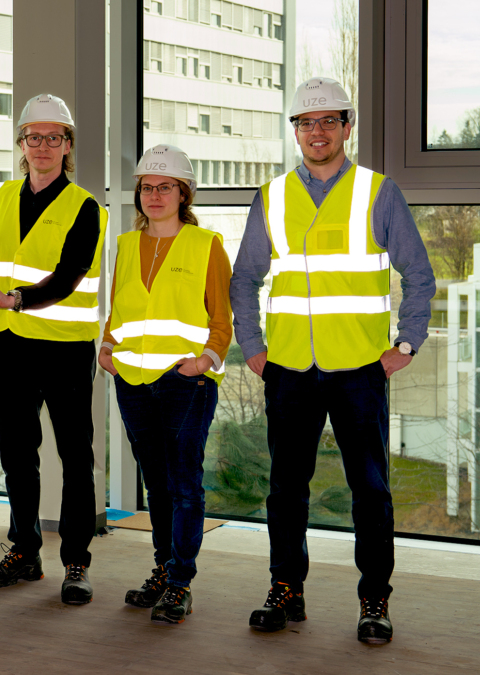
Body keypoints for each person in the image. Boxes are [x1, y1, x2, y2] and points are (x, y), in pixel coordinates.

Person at [230, 77, 435, 643]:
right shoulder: (271, 197)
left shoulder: (378, 191)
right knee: (285, 489)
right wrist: (253, 348)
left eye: (328, 121)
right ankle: (286, 590)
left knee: (370, 490)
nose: (316, 132)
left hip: (359, 370)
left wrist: (406, 345)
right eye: (306, 122)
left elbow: (419, 276)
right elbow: (244, 279)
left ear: (347, 127)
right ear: (295, 131)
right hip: (289, 371)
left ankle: (374, 600)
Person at [0, 94, 107, 605]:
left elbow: (69, 276)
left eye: (54, 137)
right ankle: (24, 550)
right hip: (13, 348)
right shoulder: (4, 196)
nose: (43, 146)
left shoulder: (86, 206)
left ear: (67, 145)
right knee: (16, 454)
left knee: (75, 456)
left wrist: (15, 300)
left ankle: (76, 562)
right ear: (21, 144)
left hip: (67, 350)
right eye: (34, 137)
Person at [98, 144, 230, 624]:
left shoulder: (206, 244)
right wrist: (107, 346)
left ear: (183, 193)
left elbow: (222, 316)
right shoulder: (127, 245)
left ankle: (180, 582)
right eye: (147, 188)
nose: (155, 195)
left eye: (165, 187)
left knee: (184, 485)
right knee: (156, 485)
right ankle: (163, 567)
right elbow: (120, 308)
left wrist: (205, 361)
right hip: (132, 382)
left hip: (184, 384)